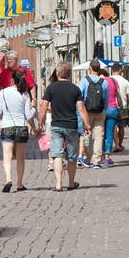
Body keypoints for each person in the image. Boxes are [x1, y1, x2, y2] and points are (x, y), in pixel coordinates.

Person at [36, 61, 89, 192]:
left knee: (57, 155)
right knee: (72, 156)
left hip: (56, 126)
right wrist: (87, 125)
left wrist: (40, 123)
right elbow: (81, 108)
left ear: (57, 73)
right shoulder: (75, 89)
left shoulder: (51, 88)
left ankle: (59, 184)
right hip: (71, 125)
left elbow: (43, 105)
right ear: (69, 75)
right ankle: (71, 183)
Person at [77, 62, 109, 169]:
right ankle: (97, 161)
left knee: (86, 134)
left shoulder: (84, 81)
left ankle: (86, 157)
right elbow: (106, 99)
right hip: (100, 112)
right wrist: (103, 109)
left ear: (90, 68)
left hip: (86, 112)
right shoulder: (104, 82)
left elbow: (79, 96)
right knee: (99, 136)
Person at [109, 63, 129, 153]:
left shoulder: (109, 80)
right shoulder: (125, 81)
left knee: (114, 126)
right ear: (119, 70)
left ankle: (116, 144)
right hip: (122, 106)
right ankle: (120, 144)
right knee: (121, 126)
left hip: (111, 105)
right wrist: (126, 101)